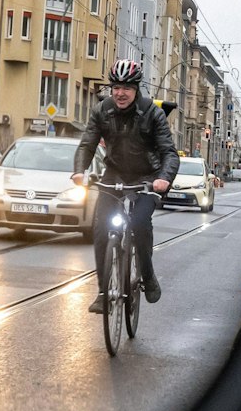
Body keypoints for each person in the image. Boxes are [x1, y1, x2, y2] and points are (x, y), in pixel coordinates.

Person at [74, 59, 177, 313]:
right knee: (100, 230)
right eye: (116, 87)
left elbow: (169, 153)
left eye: (126, 88)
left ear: (136, 89)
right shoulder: (102, 110)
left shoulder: (152, 113)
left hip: (148, 178)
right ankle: (102, 292)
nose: (120, 93)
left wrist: (163, 178)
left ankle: (148, 275)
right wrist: (79, 170)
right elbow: (88, 143)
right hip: (114, 175)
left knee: (139, 223)